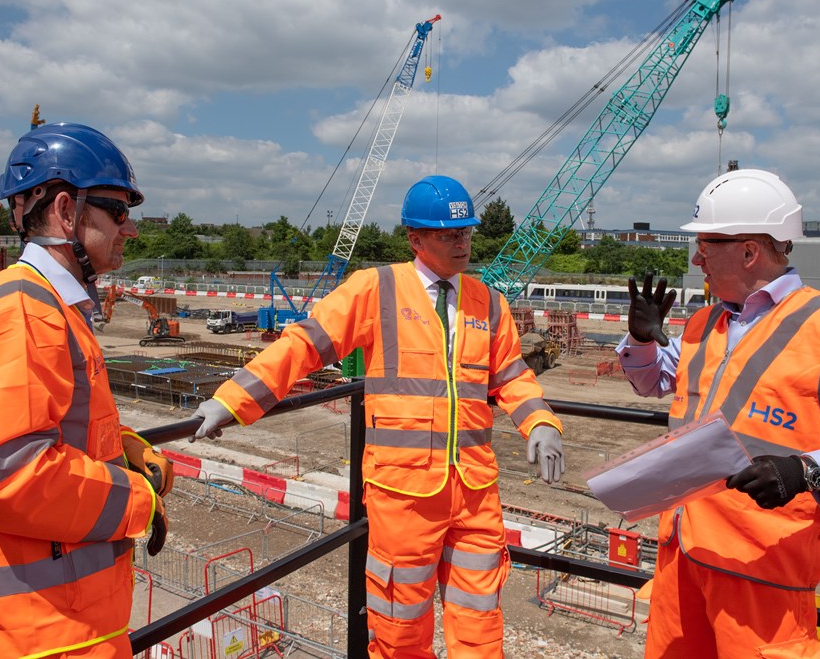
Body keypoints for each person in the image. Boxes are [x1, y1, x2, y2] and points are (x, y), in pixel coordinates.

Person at [190, 175, 565, 658]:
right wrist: (232, 401)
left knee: (480, 620)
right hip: (403, 495)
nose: (462, 242)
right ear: (416, 240)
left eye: (467, 232)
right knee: (398, 629)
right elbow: (304, 345)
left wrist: (541, 424)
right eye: (449, 234)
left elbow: (511, 376)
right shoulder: (376, 289)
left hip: (474, 494)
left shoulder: (488, 303)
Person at [616, 168, 820, 657]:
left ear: (749, 251)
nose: (695, 259)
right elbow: (655, 381)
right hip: (683, 555)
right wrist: (643, 340)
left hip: (764, 572)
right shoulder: (705, 322)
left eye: (706, 248)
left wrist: (806, 471)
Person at [0, 123, 173, 658]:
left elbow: (44, 425)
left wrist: (115, 446)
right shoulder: (19, 315)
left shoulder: (51, 309)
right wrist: (138, 500)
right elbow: (10, 474)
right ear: (66, 211)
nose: (130, 229)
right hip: (26, 639)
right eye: (119, 211)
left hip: (58, 633)